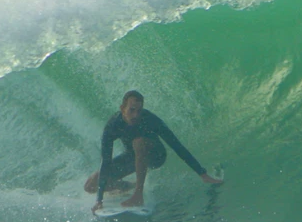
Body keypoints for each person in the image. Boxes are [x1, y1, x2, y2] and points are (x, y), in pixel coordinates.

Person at [86, 90, 222, 212]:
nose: (136, 115)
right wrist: (99, 200)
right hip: (132, 157)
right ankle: (127, 186)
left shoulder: (150, 119)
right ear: (122, 109)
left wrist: (202, 174)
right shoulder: (113, 125)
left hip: (156, 156)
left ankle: (138, 195)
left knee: (138, 143)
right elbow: (106, 161)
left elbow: (177, 146)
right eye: (131, 110)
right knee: (91, 185)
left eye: (139, 111)